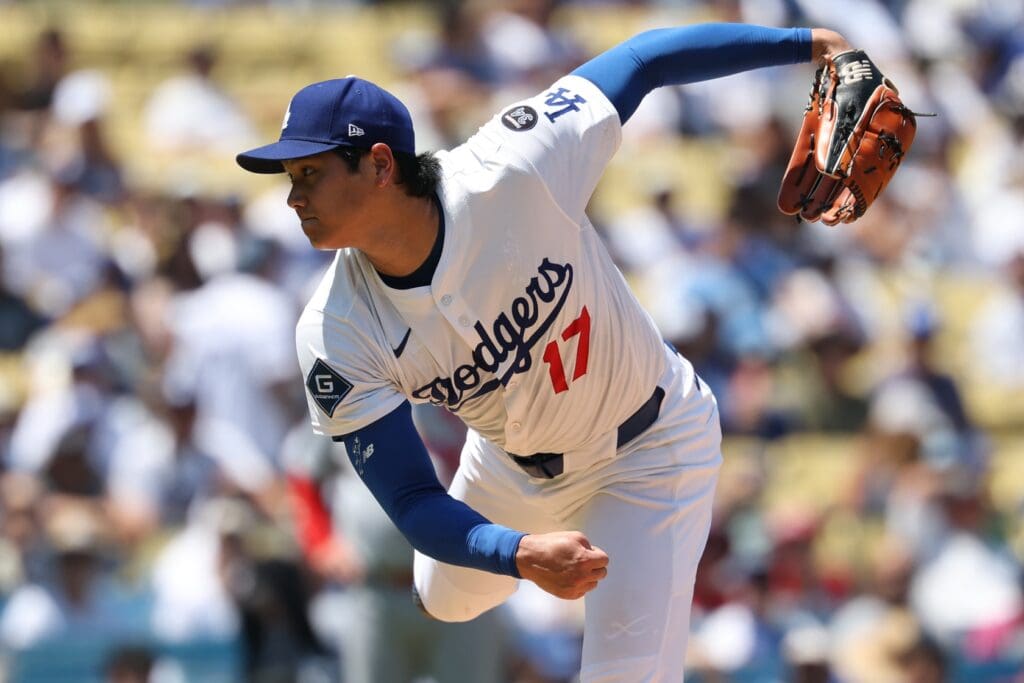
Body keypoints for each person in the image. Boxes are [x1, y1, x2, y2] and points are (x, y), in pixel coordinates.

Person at [237, 22, 852, 680]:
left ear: (382, 164)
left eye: (311, 172)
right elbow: (415, 499)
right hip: (510, 463)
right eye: (290, 176)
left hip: (646, 449)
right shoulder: (335, 330)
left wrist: (806, 43)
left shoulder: (517, 161)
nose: (293, 194)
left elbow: (645, 58)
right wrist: (520, 552)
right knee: (446, 598)